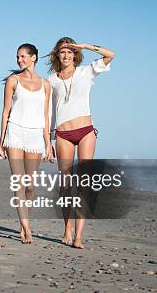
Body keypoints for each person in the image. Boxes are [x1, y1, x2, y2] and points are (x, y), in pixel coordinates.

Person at [47, 37, 115, 249]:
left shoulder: (87, 71)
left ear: (75, 54)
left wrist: (85, 46)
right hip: (63, 135)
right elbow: (49, 112)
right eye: (62, 52)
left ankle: (78, 236)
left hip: (86, 131)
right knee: (66, 185)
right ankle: (67, 229)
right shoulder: (51, 80)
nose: (66, 55)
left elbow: (110, 54)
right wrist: (48, 140)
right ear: (57, 55)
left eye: (70, 51)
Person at [0, 43, 54, 244]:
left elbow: (46, 117)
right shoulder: (13, 80)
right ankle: (27, 228)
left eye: (23, 56)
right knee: (19, 182)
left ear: (34, 57)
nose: (19, 60)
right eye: (17, 57)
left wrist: (48, 144)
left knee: (30, 186)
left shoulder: (46, 84)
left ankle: (24, 221)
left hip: (35, 136)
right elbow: (6, 111)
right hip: (15, 132)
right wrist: (1, 139)